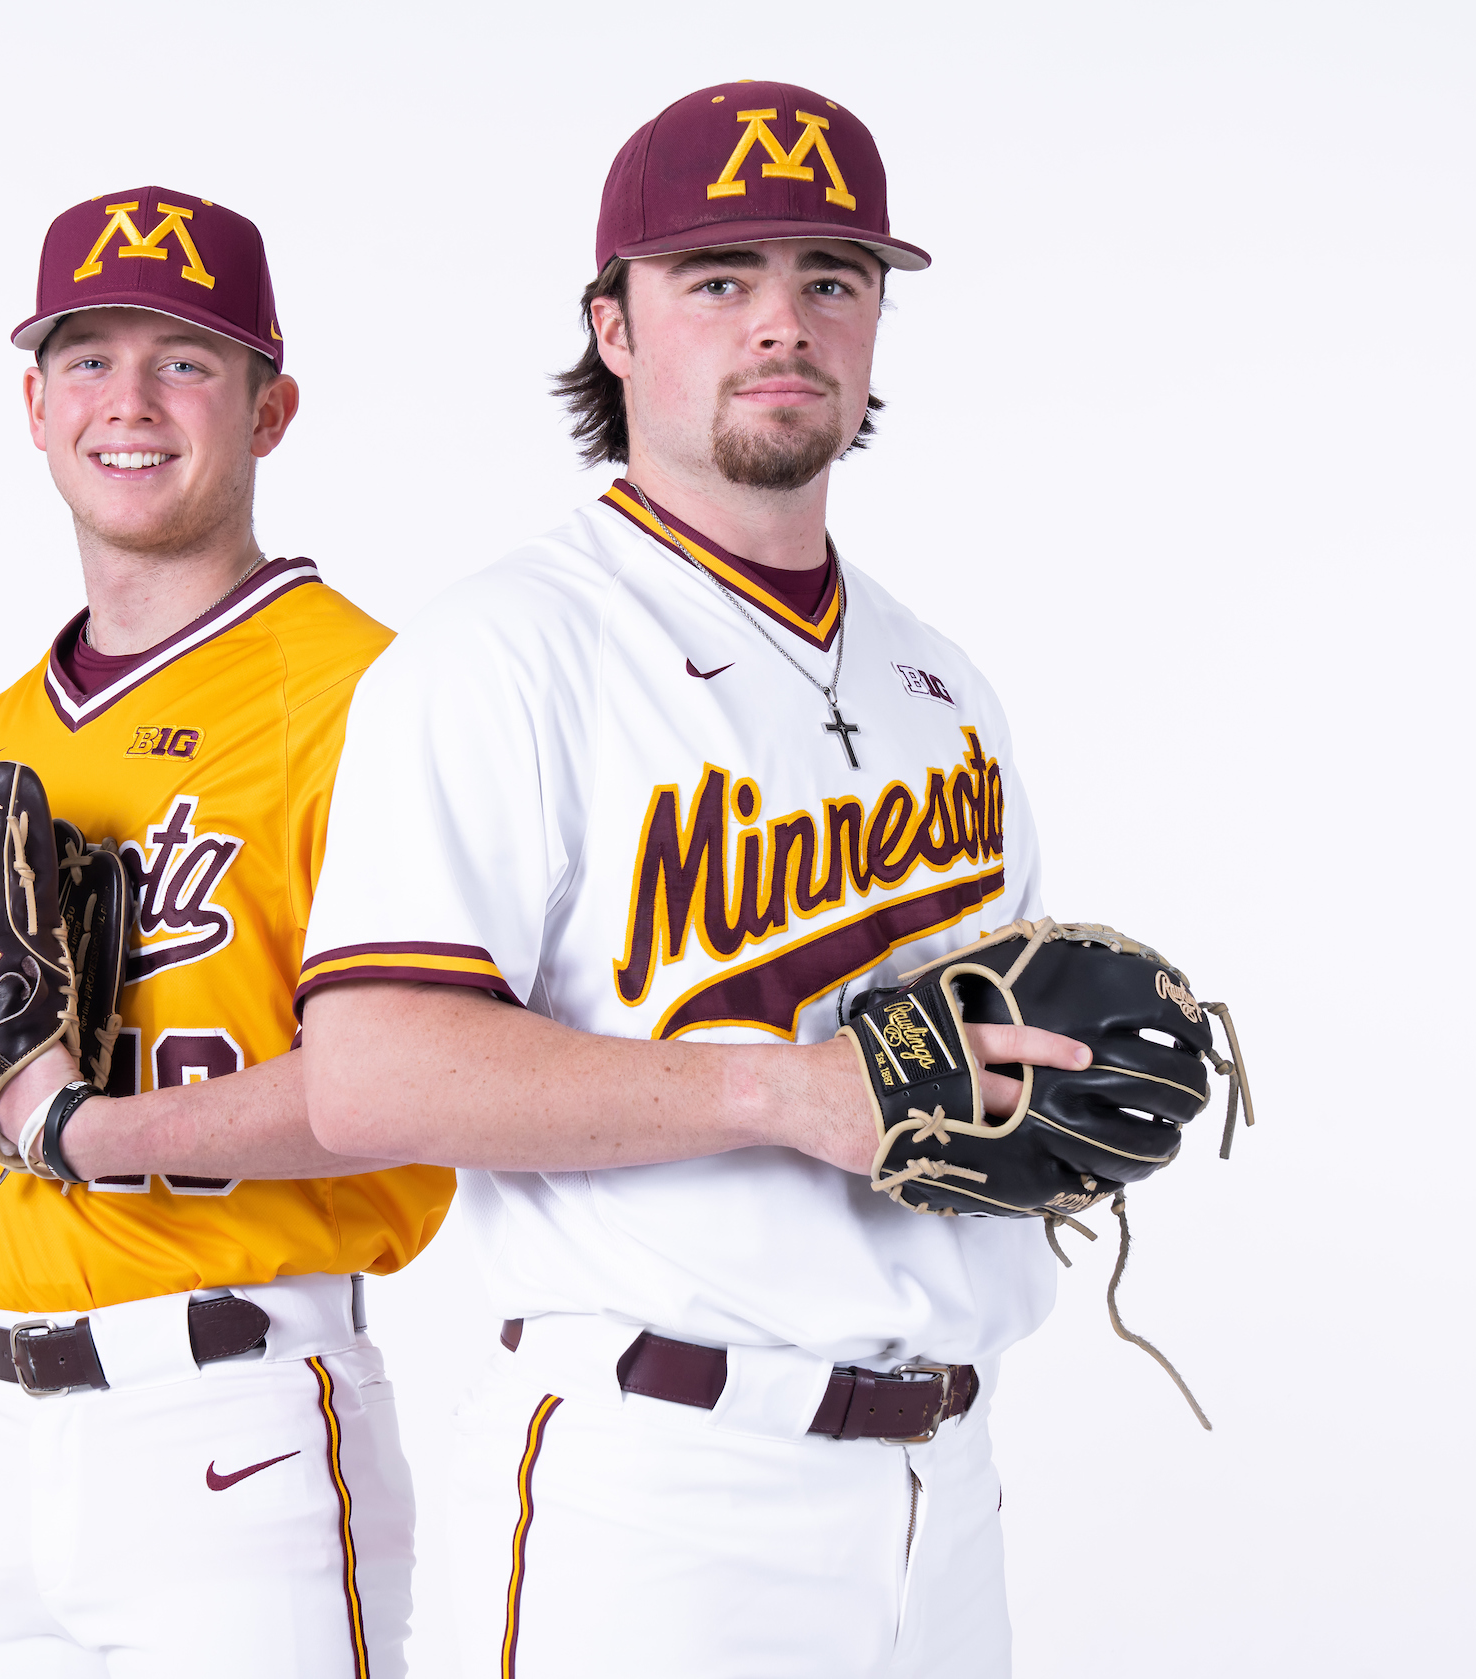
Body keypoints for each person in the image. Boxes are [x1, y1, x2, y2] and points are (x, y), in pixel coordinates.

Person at [298, 84, 1093, 1677]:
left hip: (949, 1485)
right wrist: (790, 1095)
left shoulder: (945, 681)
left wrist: (1057, 1093)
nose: (781, 324)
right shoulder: (505, 650)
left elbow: (934, 1075)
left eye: (830, 279)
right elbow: (369, 1079)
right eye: (718, 278)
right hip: (657, 1495)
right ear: (613, 325)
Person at [0, 186, 454, 1677]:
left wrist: (79, 1127)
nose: (132, 402)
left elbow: (422, 1075)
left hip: (238, 1424)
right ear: (35, 407)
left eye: (186, 360)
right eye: (90, 358)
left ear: (270, 408)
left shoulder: (374, 699)